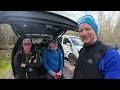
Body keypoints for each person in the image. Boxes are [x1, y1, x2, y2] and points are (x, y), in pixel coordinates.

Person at [73, 15, 120, 79]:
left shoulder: (110, 55)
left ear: (95, 31)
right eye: (81, 30)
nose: (84, 33)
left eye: (87, 29)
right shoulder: (82, 50)